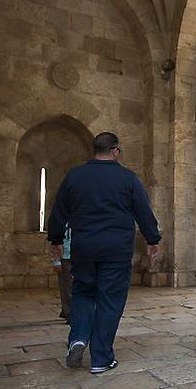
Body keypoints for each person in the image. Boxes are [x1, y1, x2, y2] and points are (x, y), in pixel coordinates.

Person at [47, 132, 161, 375]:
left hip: (84, 247)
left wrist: (55, 239)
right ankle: (100, 357)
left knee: (83, 293)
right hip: (116, 250)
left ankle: (78, 337)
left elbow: (59, 211)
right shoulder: (127, 178)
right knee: (110, 299)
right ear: (116, 150)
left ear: (94, 150)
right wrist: (153, 240)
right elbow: (143, 211)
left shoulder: (75, 176)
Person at [54, 227, 72, 322]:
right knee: (66, 286)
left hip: (78, 256)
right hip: (65, 257)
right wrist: (56, 261)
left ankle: (67, 310)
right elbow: (55, 242)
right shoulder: (61, 222)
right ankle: (69, 312)